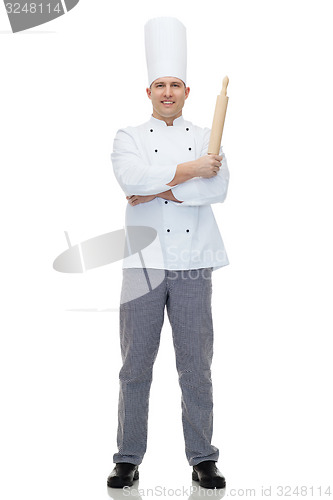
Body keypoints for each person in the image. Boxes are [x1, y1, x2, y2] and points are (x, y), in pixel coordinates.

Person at [107, 17, 230, 490]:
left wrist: (167, 187)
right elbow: (131, 180)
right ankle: (127, 456)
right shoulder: (128, 137)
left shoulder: (206, 135)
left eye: (174, 84)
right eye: (160, 84)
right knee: (135, 364)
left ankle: (203, 456)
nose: (167, 92)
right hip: (142, 262)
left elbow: (218, 186)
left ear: (187, 90)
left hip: (195, 261)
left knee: (195, 365)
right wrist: (191, 171)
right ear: (149, 90)